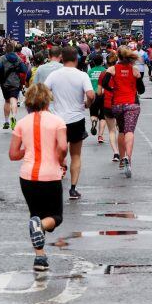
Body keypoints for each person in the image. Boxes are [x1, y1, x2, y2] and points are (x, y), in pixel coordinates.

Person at [8, 83, 67, 271]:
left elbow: (13, 154)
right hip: (50, 174)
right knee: (55, 217)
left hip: (27, 176)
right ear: (47, 101)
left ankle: (40, 257)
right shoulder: (57, 122)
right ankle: (40, 225)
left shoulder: (22, 123)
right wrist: (60, 159)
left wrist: (29, 149)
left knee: (34, 214)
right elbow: (64, 147)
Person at [44, 47, 95, 200]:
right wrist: (87, 104)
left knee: (58, 152)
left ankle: (57, 175)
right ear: (77, 59)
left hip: (58, 120)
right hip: (76, 119)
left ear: (61, 58)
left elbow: (43, 91)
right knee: (76, 155)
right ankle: (73, 189)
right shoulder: (82, 75)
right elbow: (91, 94)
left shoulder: (54, 75)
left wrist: (51, 101)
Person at [102, 46, 142, 178]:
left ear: (118, 57)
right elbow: (141, 90)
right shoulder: (135, 71)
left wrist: (113, 90)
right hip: (132, 104)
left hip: (117, 105)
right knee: (129, 131)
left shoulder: (112, 69)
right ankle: (128, 159)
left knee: (121, 131)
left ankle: (121, 158)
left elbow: (105, 84)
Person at [0, 43, 28, 130]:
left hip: (5, 83)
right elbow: (24, 70)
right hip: (15, 82)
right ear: (13, 49)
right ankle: (13, 116)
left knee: (7, 101)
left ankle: (6, 121)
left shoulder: (1, 58)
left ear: (6, 49)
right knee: (14, 99)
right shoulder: (18, 58)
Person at [98, 54, 120, 162]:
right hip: (120, 102)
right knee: (121, 130)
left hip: (108, 103)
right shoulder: (120, 71)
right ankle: (124, 152)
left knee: (111, 130)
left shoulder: (103, 74)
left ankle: (116, 152)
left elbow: (100, 92)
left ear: (106, 62)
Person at [87, 55, 106, 143]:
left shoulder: (90, 71)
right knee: (103, 116)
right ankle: (100, 136)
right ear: (102, 61)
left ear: (93, 62)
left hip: (93, 95)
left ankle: (94, 121)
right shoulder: (105, 71)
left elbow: (87, 84)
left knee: (93, 113)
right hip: (103, 94)